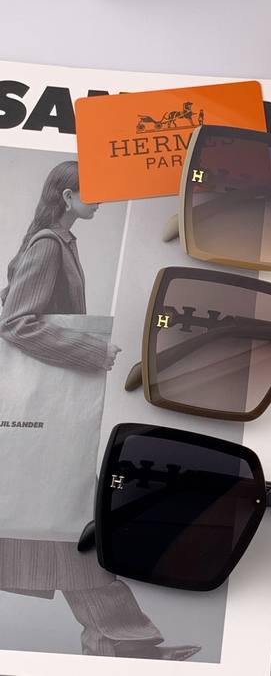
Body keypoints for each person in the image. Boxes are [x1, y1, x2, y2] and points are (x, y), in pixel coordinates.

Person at [0, 161, 199, 660]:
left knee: (66, 525)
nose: (101, 199)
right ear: (66, 197)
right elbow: (16, 322)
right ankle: (122, 641)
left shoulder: (57, 242)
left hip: (42, 424)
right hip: (42, 421)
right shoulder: (48, 245)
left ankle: (118, 640)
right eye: (90, 191)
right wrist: (90, 351)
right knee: (73, 523)